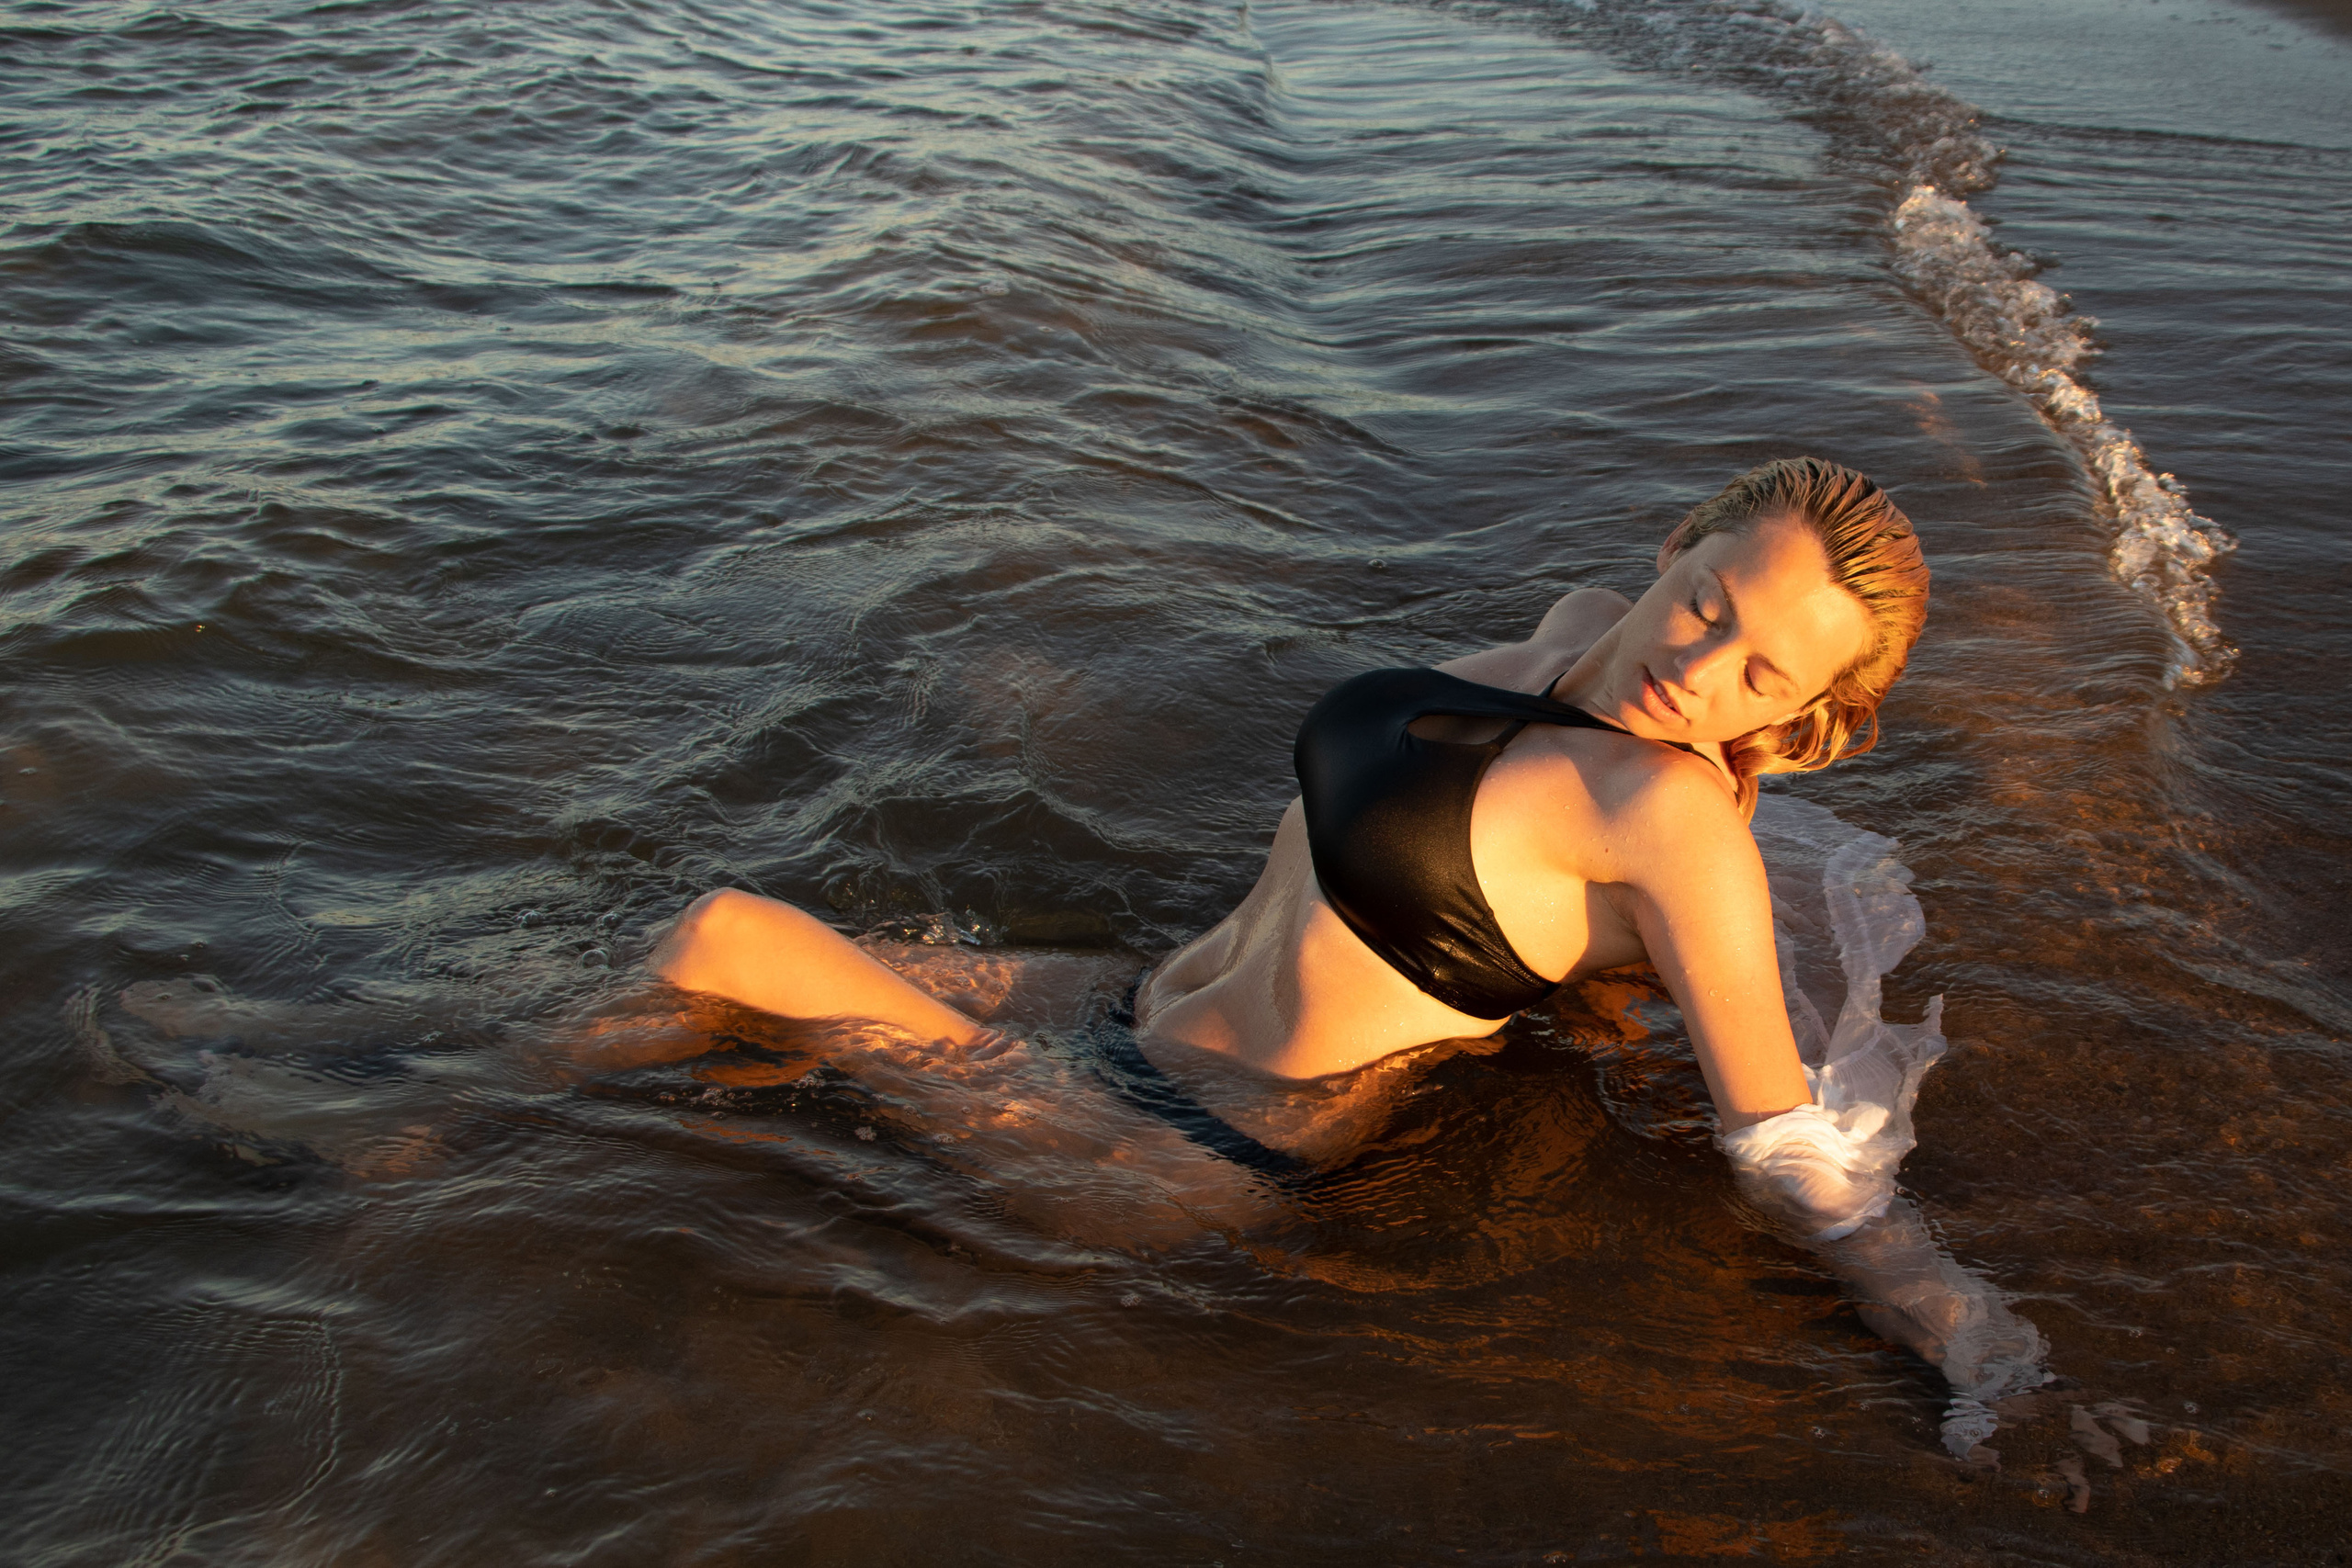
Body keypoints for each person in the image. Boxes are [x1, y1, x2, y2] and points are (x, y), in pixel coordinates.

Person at [650, 457, 1932, 1235]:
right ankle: (472, 1113)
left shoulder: (1677, 824)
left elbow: (1782, 1140)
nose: (1695, 665)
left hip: (1185, 1145)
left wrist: (1966, 1333)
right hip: (1127, 1008)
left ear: (1797, 714)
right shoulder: (1575, 629)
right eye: (1704, 603)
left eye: (1758, 673)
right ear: (1673, 549)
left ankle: (453, 1140)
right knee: (652, 992)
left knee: (725, 938)